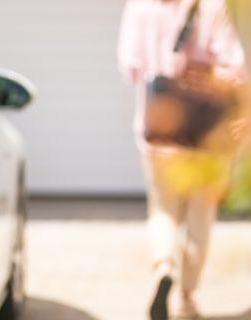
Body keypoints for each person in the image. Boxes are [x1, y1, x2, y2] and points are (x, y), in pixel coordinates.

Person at [117, 0, 247, 319]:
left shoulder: (139, 6)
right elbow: (235, 67)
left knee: (162, 209)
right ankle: (187, 296)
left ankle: (164, 267)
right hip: (205, 133)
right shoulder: (210, 5)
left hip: (160, 128)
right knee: (200, 215)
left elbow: (129, 66)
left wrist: (162, 67)